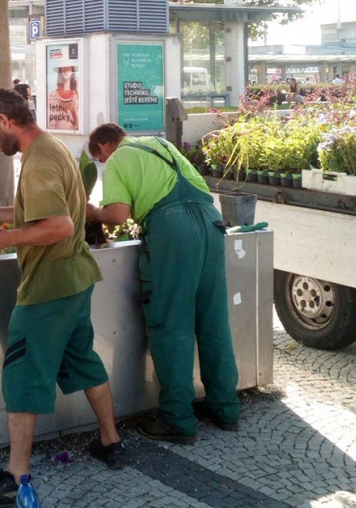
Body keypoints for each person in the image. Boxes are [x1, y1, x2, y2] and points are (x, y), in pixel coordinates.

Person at [0, 89, 125, 508]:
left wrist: (4, 239)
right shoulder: (52, 147)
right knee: (82, 360)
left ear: (5, 121)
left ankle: (17, 476)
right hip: (76, 279)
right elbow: (45, 212)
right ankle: (111, 441)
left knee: (21, 375)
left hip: (48, 287)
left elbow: (59, 226)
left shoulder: (35, 164)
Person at [85, 123, 241, 445]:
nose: (103, 166)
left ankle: (178, 420)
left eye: (99, 160)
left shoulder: (118, 159)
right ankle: (225, 408)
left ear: (104, 147)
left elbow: (117, 214)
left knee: (171, 323)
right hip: (210, 223)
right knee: (213, 321)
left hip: (172, 229)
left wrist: (92, 213)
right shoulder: (162, 146)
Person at [47, 66, 79, 131]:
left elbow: (79, 125)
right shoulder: (53, 94)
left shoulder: (77, 95)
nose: (66, 71)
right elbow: (50, 121)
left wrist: (74, 111)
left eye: (68, 69)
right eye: (63, 69)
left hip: (72, 132)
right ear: (60, 72)